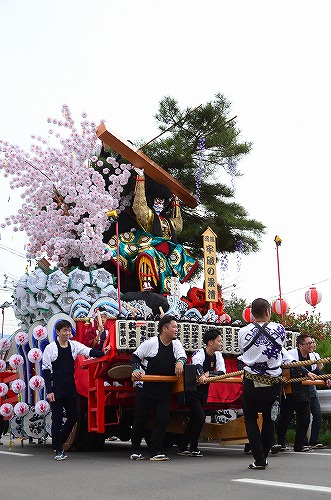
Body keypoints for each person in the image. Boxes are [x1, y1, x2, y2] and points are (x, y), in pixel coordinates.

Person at [106, 168, 198, 293]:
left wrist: (176, 203)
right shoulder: (149, 216)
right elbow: (139, 206)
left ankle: (169, 292)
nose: (159, 205)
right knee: (147, 254)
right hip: (150, 246)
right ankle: (146, 282)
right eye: (157, 202)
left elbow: (178, 225)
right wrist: (141, 179)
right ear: (152, 201)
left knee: (173, 266)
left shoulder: (168, 222)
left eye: (162, 203)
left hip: (166, 253)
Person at [42, 319, 105, 461]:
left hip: (70, 387)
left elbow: (89, 351)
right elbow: (46, 371)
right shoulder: (50, 349)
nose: (67, 333)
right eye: (64, 330)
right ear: (57, 332)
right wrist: (49, 390)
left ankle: (59, 442)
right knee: (57, 419)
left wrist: (103, 353)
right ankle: (59, 450)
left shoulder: (74, 345)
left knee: (73, 416)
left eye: (69, 330)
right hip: (56, 389)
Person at [238, 297, 286, 470]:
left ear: (251, 314)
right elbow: (280, 350)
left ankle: (259, 459)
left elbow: (243, 351)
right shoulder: (279, 329)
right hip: (273, 382)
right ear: (268, 312)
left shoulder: (243, 331)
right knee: (269, 419)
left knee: (250, 418)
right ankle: (262, 457)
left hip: (251, 381)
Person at [130, 315, 186, 461]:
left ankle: (155, 451)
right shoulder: (151, 343)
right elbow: (135, 357)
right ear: (164, 328)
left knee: (162, 418)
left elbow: (182, 356)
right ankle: (135, 449)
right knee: (140, 418)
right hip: (145, 386)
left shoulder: (176, 344)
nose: (176, 329)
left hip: (163, 389)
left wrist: (180, 362)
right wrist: (136, 370)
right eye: (173, 326)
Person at [177, 328, 225, 457]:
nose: (221, 343)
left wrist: (210, 374)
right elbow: (196, 366)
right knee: (200, 417)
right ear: (210, 342)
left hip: (204, 391)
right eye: (219, 341)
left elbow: (222, 372)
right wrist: (202, 375)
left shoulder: (218, 355)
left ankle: (183, 446)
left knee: (194, 419)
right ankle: (193, 447)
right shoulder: (200, 353)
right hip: (193, 390)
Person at [276, 334, 319, 453]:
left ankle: (298, 445)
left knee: (305, 420)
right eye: (308, 343)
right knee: (285, 419)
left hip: (304, 392)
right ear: (300, 345)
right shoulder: (291, 353)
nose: (311, 345)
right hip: (290, 391)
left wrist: (325, 378)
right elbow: (288, 365)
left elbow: (314, 370)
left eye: (312, 343)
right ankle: (281, 443)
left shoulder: (312, 356)